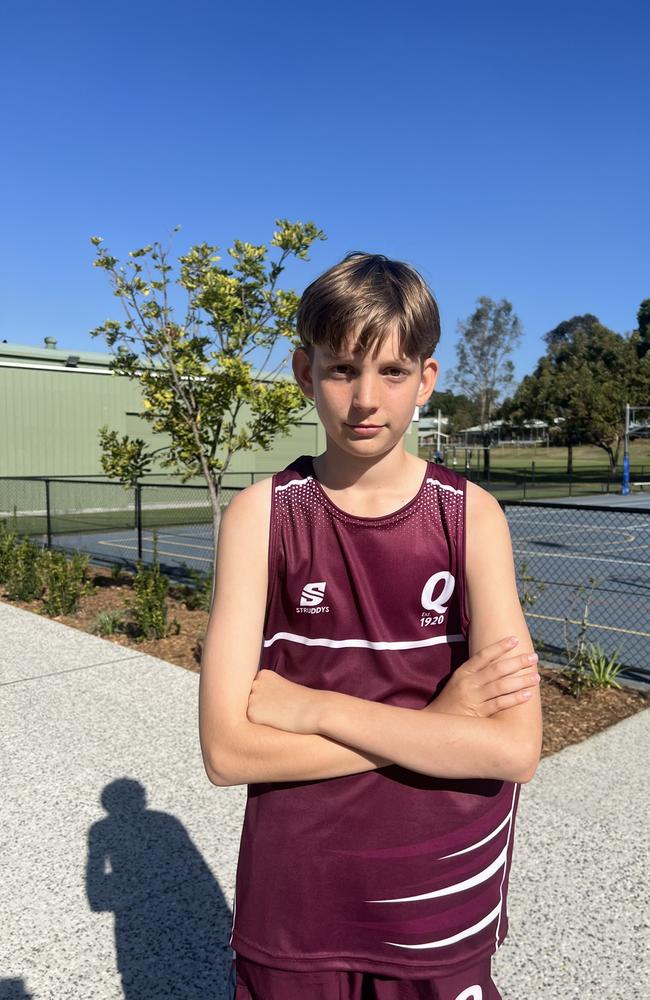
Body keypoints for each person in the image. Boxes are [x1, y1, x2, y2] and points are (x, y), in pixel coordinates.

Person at [199, 252, 543, 1000]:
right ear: (302, 370)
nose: (364, 399)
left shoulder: (471, 518)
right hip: (297, 902)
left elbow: (514, 748)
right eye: (341, 369)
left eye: (391, 372)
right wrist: (437, 725)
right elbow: (227, 752)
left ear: (426, 379)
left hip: (442, 898)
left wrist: (310, 707)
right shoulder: (263, 517)